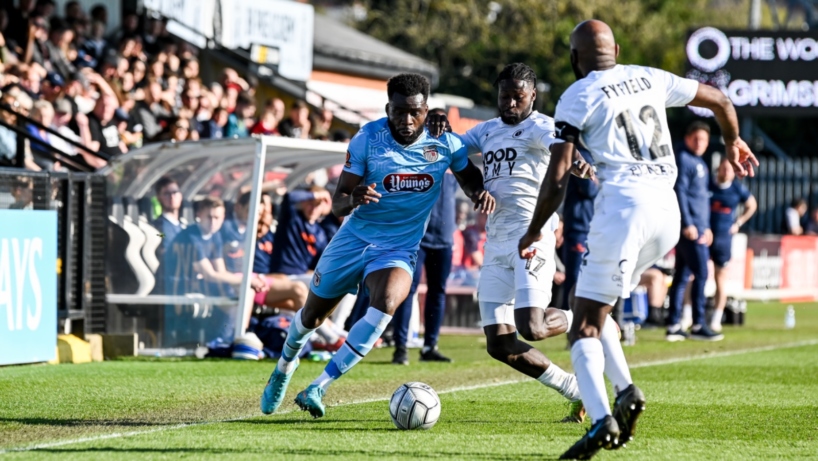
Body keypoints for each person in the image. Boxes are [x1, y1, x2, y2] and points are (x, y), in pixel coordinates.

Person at [517, 20, 757, 459]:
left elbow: (557, 175)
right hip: (666, 210)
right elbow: (720, 99)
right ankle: (626, 391)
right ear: (619, 49)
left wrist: (535, 228)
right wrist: (733, 140)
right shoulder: (649, 76)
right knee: (598, 306)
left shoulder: (578, 93)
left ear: (575, 59)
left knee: (582, 322)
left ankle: (601, 420)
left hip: (624, 208)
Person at [259, 73, 494, 418]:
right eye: (398, 112)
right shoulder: (367, 138)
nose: (406, 120)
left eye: (414, 112)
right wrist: (352, 197)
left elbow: (470, 177)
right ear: (388, 108)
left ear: (426, 110)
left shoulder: (445, 141)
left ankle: (318, 387)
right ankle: (283, 367)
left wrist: (480, 194)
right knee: (311, 317)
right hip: (354, 240)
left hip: (397, 249)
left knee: (385, 304)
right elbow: (338, 202)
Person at [427, 63, 582, 420]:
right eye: (504, 95)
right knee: (499, 343)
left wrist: (577, 163)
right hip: (496, 242)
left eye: (518, 96)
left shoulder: (541, 126)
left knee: (533, 326)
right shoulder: (486, 131)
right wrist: (437, 119)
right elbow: (452, 149)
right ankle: (574, 389)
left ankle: (586, 317)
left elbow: (562, 149)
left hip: (532, 236)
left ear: (532, 96)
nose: (510, 102)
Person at [391, 165, 459, 365]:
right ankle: (400, 347)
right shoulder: (417, 160)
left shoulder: (453, 162)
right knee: (407, 290)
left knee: (438, 291)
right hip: (416, 239)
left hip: (444, 240)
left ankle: (430, 346)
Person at [667, 121, 721, 342]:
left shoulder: (698, 161)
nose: (700, 143)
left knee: (681, 275)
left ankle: (673, 325)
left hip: (698, 227)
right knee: (701, 273)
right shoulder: (683, 158)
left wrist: (705, 226)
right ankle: (698, 323)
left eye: (704, 140)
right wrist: (688, 223)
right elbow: (679, 191)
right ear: (688, 138)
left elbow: (699, 198)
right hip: (689, 229)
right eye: (696, 139)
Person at [709, 157, 757, 333]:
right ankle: (688, 315)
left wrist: (738, 223)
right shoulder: (708, 185)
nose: (726, 172)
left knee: (720, 277)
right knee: (695, 275)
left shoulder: (737, 188)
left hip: (723, 238)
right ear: (719, 169)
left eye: (729, 169)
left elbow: (752, 205)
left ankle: (716, 318)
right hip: (704, 236)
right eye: (723, 169)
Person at [560, 148, 598, 312]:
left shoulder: (595, 155)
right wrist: (600, 184)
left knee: (590, 276)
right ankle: (569, 318)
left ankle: (580, 317)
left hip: (590, 226)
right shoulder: (582, 155)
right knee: (575, 277)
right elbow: (589, 189)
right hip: (578, 226)